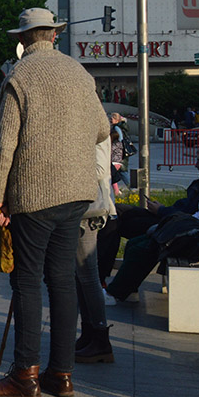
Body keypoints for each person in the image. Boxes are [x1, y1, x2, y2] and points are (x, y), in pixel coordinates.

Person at [0, 8, 109, 397]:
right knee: (62, 281)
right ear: (53, 35)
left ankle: (24, 376)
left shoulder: (20, 76)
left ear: (23, 37)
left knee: (27, 282)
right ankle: (61, 374)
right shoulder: (79, 73)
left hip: (35, 193)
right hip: (78, 192)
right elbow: (103, 127)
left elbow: (5, 146)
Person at [106, 151, 199, 301]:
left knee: (142, 250)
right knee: (134, 243)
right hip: (191, 232)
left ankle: (114, 293)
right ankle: (129, 290)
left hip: (196, 238)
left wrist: (180, 223)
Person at [74, 136, 116, 364]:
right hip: (80, 208)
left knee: (88, 276)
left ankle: (100, 338)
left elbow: (100, 169)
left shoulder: (98, 132)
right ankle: (89, 333)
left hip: (89, 211)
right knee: (80, 276)